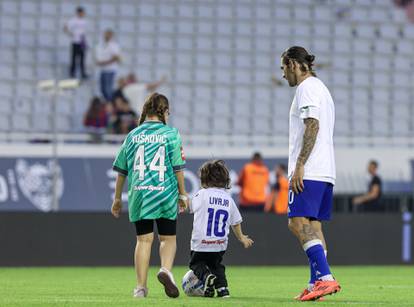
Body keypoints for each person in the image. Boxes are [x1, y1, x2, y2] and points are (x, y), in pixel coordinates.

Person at [111, 92, 188, 298]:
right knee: (168, 238)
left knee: (144, 240)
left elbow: (122, 170)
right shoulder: (171, 134)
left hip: (140, 194)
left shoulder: (133, 135)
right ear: (163, 111)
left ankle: (140, 288)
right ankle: (165, 270)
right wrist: (183, 194)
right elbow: (178, 167)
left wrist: (117, 198)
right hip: (165, 193)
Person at [280, 46, 341, 301]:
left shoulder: (306, 88)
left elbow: (312, 125)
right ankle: (316, 281)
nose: (283, 75)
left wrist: (300, 165)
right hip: (326, 170)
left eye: (284, 67)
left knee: (296, 222)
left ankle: (325, 278)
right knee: (313, 227)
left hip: (311, 170)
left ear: (294, 64)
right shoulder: (322, 89)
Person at [188, 160, 253, 298]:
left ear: (204, 179)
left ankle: (206, 277)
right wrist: (241, 237)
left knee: (196, 264)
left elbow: (191, 208)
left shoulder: (201, 194)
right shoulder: (228, 199)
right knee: (217, 266)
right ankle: (223, 290)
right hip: (219, 244)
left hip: (201, 243)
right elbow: (235, 221)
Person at [95, 30, 121, 101]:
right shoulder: (100, 45)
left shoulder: (114, 45)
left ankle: (110, 104)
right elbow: (98, 60)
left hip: (110, 70)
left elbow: (117, 58)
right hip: (103, 70)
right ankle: (108, 103)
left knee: (108, 89)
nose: (107, 36)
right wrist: (107, 61)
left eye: (109, 34)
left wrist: (104, 62)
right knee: (102, 89)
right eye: (106, 34)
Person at [64, 6, 88, 79]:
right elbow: (65, 27)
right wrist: (70, 34)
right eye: (81, 13)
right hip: (75, 41)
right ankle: (72, 73)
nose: (83, 14)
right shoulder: (73, 20)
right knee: (74, 58)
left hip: (82, 41)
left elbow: (83, 31)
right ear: (78, 13)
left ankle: (83, 73)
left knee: (82, 58)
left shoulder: (84, 21)